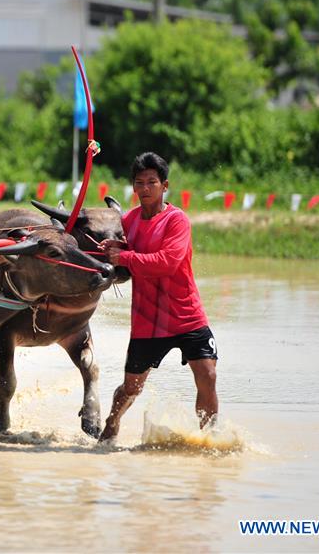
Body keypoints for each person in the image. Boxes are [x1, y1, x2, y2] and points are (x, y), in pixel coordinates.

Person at [99, 152, 218, 442]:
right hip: (147, 321)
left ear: (165, 186)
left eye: (152, 182)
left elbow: (167, 262)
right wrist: (109, 246)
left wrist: (124, 255)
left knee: (208, 376)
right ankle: (112, 425)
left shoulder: (177, 221)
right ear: (133, 187)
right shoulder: (129, 221)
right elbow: (113, 246)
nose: (145, 188)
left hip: (187, 315)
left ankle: (209, 439)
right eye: (139, 183)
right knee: (131, 388)